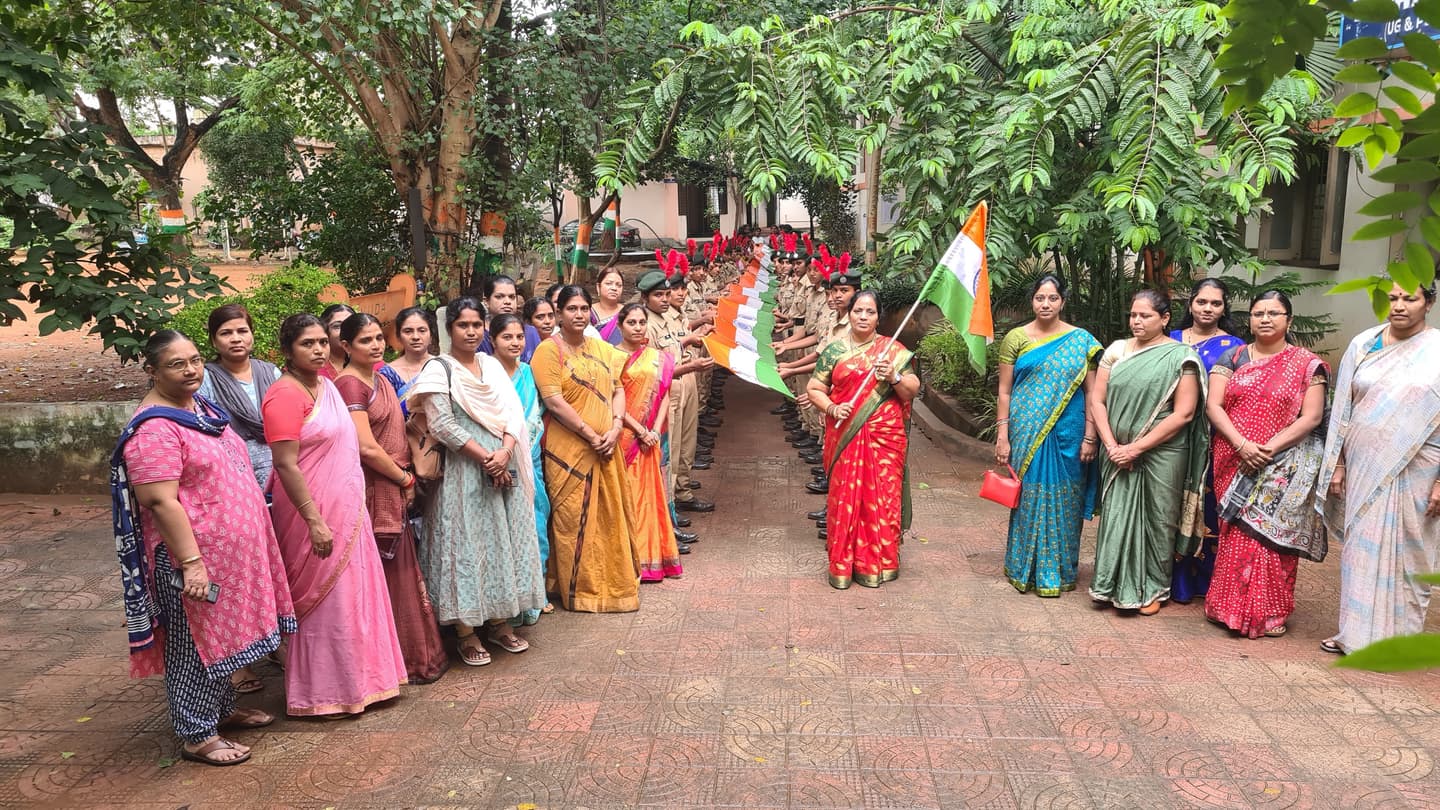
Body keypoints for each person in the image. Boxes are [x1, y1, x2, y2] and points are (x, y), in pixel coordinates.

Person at [111, 331, 295, 766]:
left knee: (219, 638)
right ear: (152, 371)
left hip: (225, 556)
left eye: (195, 360)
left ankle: (221, 710)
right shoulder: (154, 430)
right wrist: (191, 563)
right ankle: (197, 734)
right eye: (177, 364)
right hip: (189, 560)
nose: (191, 370)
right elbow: (159, 500)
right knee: (192, 645)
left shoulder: (199, 410)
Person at [262, 314, 407, 715]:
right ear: (287, 350)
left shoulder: (327, 386)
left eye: (322, 342)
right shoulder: (283, 395)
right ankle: (322, 694)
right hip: (312, 514)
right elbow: (286, 464)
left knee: (355, 595)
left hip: (349, 509)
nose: (318, 350)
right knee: (326, 602)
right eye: (307, 344)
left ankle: (366, 683)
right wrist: (313, 520)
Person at [408, 299, 547, 665]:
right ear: (449, 329)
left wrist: (505, 452)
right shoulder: (439, 369)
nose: (470, 332)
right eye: (462, 325)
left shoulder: (491, 365)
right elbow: (442, 425)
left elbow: (513, 414)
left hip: (503, 464)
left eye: (476, 325)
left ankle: (500, 623)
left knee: (502, 542)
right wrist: (487, 459)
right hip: (463, 472)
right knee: (466, 546)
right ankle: (466, 631)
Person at [1318, 282, 1440, 655]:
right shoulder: (1363, 344)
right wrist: (1337, 463)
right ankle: (1353, 635)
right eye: (1393, 298)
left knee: (1411, 553)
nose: (1399, 306)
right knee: (1360, 548)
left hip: (1421, 469)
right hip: (1362, 464)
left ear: (1429, 303)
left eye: (1410, 299)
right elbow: (1343, 407)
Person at [1203, 291, 1328, 639]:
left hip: (1282, 463)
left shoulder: (1306, 364)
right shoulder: (1233, 357)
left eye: (1274, 313)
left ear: (1289, 320)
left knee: (1270, 539)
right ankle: (1226, 607)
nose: (1265, 319)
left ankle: (1269, 612)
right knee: (1235, 534)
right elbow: (1214, 406)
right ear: (1250, 319)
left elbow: (1312, 417)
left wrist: (1268, 449)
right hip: (1233, 456)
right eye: (1258, 313)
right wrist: (1242, 445)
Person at [335, 313, 449, 682]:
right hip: (374, 486)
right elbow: (366, 447)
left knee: (401, 570)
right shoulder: (350, 385)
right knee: (385, 573)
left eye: (378, 338)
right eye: (365, 340)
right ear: (346, 346)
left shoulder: (380, 378)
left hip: (395, 481)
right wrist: (403, 478)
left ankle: (406, 656)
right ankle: (389, 662)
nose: (375, 345)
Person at [1088, 290, 1210, 614]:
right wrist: (1112, 446)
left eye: (1145, 316)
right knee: (1116, 516)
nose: (1137, 321)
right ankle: (1109, 584)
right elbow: (1097, 400)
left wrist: (1136, 448)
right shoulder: (1117, 350)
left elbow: (1184, 413)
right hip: (1115, 451)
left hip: (1163, 452)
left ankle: (1154, 588)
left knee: (1159, 518)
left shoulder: (1181, 357)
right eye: (1133, 315)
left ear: (1165, 318)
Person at [530, 285, 642, 612]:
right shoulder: (548, 351)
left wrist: (616, 427)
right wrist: (591, 435)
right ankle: (579, 590)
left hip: (607, 444)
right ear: (559, 314)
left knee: (610, 516)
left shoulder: (601, 348)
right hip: (570, 450)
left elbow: (618, 389)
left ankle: (614, 584)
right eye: (571, 309)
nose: (578, 315)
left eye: (583, 309)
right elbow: (554, 401)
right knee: (571, 520)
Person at [994, 275, 1102, 597]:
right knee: (1028, 498)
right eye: (1040, 298)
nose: (1046, 304)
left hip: (1070, 433)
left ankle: (1059, 571)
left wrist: (1091, 436)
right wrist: (1002, 435)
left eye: (1052, 298)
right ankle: (1023, 568)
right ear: (1032, 301)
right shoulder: (1015, 338)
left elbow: (1093, 392)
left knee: (1066, 500)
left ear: (1062, 302)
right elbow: (1004, 392)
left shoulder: (1081, 341)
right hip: (1026, 430)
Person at [805, 290, 920, 589]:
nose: (864, 317)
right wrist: (832, 407)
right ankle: (843, 564)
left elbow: (911, 389)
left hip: (885, 438)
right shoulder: (834, 351)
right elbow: (814, 388)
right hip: (846, 435)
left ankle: (881, 562)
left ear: (879, 317)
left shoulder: (892, 351)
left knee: (883, 499)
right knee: (845, 497)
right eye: (858, 311)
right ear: (849, 313)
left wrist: (894, 377)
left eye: (870, 312)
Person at [1169, 279, 1244, 603]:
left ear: (1224, 308)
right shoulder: (1169, 339)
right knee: (1171, 502)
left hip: (1214, 437)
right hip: (1171, 435)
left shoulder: (1235, 347)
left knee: (1208, 506)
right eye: (1202, 302)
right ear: (1190, 304)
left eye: (1215, 303)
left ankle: (1205, 579)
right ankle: (1170, 578)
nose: (1208, 308)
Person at [489, 312, 556, 621]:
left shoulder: (529, 372)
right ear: (493, 340)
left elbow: (539, 412)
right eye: (507, 337)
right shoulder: (486, 374)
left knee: (536, 522)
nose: (515, 342)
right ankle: (509, 603)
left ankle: (535, 594)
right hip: (500, 458)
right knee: (506, 529)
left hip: (531, 459)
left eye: (519, 337)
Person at [617, 301, 686, 576]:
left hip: (652, 437)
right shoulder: (611, 357)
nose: (637, 327)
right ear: (620, 326)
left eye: (642, 322)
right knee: (629, 497)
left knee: (651, 497)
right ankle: (630, 559)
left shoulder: (657, 357)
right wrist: (640, 430)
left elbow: (665, 393)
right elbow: (612, 398)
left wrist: (655, 430)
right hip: (626, 437)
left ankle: (652, 557)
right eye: (631, 322)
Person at [197, 304, 281, 489]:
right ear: (213, 341)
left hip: (282, 470)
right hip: (233, 476)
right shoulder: (206, 380)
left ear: (252, 335)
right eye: (226, 333)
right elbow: (203, 433)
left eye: (242, 331)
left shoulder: (272, 373)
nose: (236, 339)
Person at [380, 306, 436, 414]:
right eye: (408, 331)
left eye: (422, 330)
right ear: (399, 337)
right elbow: (386, 415)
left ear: (431, 336)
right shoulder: (388, 374)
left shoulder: (444, 366)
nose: (415, 337)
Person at [478, 274, 543, 361]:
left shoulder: (530, 333)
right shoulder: (478, 335)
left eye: (512, 297)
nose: (507, 302)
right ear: (486, 301)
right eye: (499, 297)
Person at [317, 303, 356, 379]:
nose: (345, 331)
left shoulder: (369, 361)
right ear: (324, 330)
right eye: (337, 326)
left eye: (351, 326)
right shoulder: (313, 367)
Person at [590, 266, 627, 344]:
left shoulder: (627, 312)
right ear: (598, 287)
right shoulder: (588, 312)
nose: (614, 288)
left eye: (619, 285)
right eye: (609, 283)